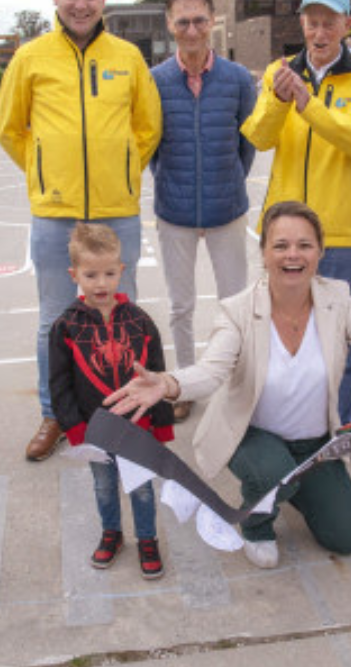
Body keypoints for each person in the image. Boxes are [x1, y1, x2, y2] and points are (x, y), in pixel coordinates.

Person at [104, 201, 351, 569]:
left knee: (346, 538)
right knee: (273, 471)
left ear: (320, 253)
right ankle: (257, 522)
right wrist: (169, 384)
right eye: (280, 246)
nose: (292, 255)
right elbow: (211, 371)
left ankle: (289, 485)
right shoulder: (238, 311)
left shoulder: (338, 301)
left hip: (314, 444)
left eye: (304, 245)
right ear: (263, 253)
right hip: (252, 436)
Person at [0, 0, 162, 461]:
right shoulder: (30, 57)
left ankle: (127, 412)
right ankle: (54, 414)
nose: (81, 4)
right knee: (54, 319)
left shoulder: (127, 58)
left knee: (121, 319)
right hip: (55, 214)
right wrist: (47, 176)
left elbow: (148, 127)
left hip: (117, 211)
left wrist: (122, 173)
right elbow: (10, 130)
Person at [240, 0, 351, 426]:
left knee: (346, 334)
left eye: (329, 23)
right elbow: (259, 136)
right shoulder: (278, 71)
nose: (319, 33)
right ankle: (290, 420)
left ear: (347, 24)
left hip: (340, 230)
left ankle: (340, 421)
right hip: (285, 230)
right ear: (302, 23)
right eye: (312, 22)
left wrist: (309, 105)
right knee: (281, 329)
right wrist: (279, 101)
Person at [150, 0, 256, 422]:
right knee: (181, 306)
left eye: (199, 20)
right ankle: (185, 383)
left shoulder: (236, 79)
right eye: (183, 21)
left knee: (235, 303)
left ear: (212, 22)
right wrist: (176, 185)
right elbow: (153, 146)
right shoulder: (155, 80)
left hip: (226, 208)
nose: (191, 29)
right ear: (170, 24)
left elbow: (245, 145)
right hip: (173, 210)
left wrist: (224, 183)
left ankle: (236, 382)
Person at [49, 223, 173, 579]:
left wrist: (161, 425)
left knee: (142, 488)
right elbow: (58, 385)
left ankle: (147, 539)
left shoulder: (140, 321)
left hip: (138, 428)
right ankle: (112, 533)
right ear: (74, 274)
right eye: (90, 275)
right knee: (103, 485)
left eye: (108, 273)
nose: (100, 283)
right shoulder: (66, 327)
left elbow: (157, 373)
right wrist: (75, 431)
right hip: (95, 431)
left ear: (122, 270)